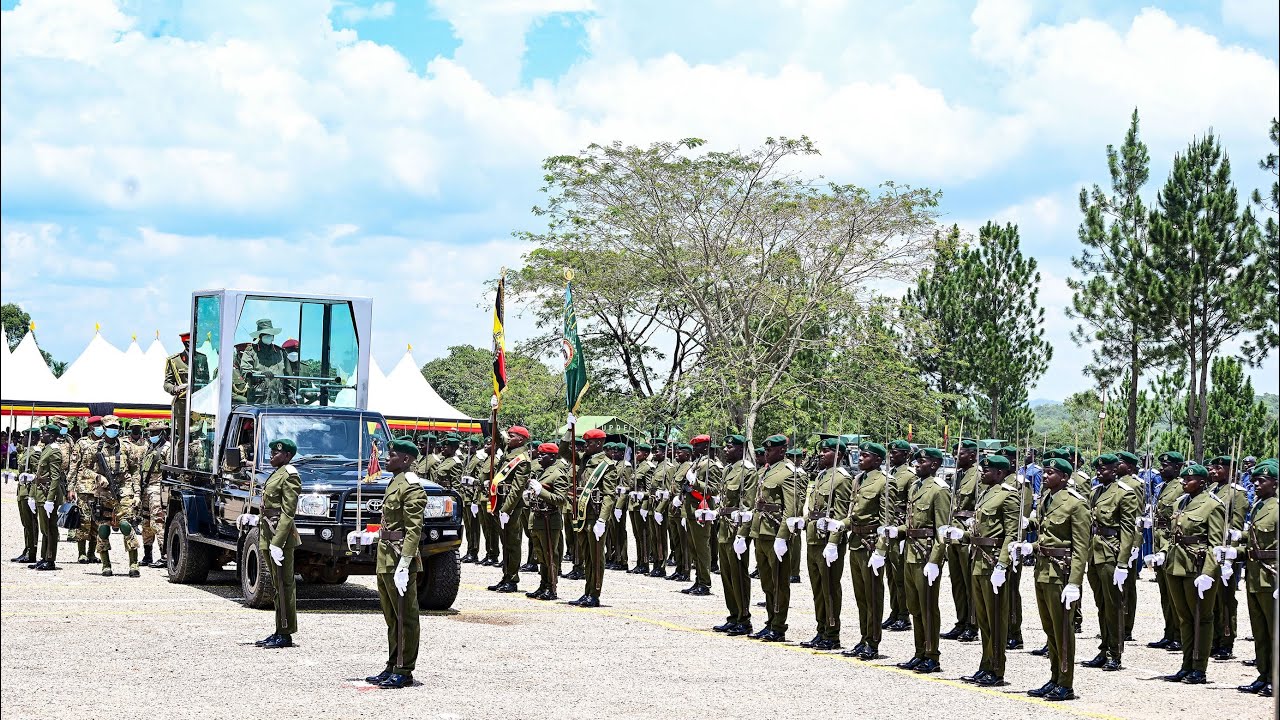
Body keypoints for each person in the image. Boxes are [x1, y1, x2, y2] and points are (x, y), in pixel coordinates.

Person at [947, 454, 1020, 687]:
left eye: (987, 471)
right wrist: (963, 536)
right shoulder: (987, 494)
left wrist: (1003, 564)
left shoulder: (1008, 495)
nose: (982, 474)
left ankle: (997, 669)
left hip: (992, 562)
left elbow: (1011, 534)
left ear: (1000, 473)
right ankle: (986, 663)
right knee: (984, 619)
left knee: (996, 618)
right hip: (978, 560)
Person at [1021, 456, 1089, 702]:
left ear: (1064, 477)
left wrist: (1074, 582)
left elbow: (1082, 547)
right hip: (1043, 569)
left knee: (1063, 629)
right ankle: (1054, 678)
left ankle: (1066, 682)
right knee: (1050, 628)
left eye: (1050, 473)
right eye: (1046, 472)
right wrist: (1031, 542)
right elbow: (1045, 532)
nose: (1046, 476)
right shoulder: (1046, 500)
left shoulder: (1075, 503)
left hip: (1061, 572)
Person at [882, 446, 950, 674]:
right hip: (910, 552)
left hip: (925, 555)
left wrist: (935, 560)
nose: (917, 465)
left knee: (928, 607)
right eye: (916, 461)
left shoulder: (939, 490)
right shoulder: (915, 486)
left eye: (922, 461)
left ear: (934, 464)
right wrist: (897, 531)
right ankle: (919, 652)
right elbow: (912, 523)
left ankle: (932, 655)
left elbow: (942, 530)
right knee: (915, 608)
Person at [365, 438, 426, 689]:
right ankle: (392, 663)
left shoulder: (411, 486)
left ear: (405, 460)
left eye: (391, 456)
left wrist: (405, 562)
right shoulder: (395, 482)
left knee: (405, 616)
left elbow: (414, 530)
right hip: (386, 556)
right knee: (392, 616)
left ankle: (404, 669)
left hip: (399, 557)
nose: (386, 459)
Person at [1160, 464, 1224, 685]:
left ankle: (1199, 667)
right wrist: (1162, 552)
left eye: (1190, 479)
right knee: (1184, 618)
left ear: (1203, 482)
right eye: (1183, 479)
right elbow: (1173, 535)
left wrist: (1208, 572)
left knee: (1202, 618)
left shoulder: (1213, 505)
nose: (1184, 482)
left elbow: (1217, 544)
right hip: (1175, 565)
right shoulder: (1181, 502)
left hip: (1197, 568)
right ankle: (1186, 664)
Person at [1221, 458, 1275, 697]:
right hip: (1255, 576)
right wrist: (1236, 549)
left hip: (1272, 577)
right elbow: (1256, 544)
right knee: (1260, 631)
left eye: (1261, 481)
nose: (1255, 484)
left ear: (1275, 483)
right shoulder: (1258, 507)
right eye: (1254, 480)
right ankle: (1263, 675)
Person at [746, 434, 804, 643]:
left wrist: (782, 537)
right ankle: (770, 620)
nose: (766, 453)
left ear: (781, 450)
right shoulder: (767, 470)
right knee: (767, 582)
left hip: (774, 533)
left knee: (779, 582)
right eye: (766, 450)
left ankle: (779, 626)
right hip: (760, 532)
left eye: (770, 450)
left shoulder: (789, 473)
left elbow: (792, 508)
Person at [246, 438, 301, 649]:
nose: (272, 456)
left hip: (280, 536)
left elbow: (288, 512)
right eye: (271, 452)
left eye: (276, 453)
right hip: (268, 532)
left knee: (284, 584)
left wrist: (278, 542)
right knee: (277, 585)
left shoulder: (289, 475)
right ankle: (279, 629)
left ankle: (285, 632)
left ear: (287, 456)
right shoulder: (277, 473)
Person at [799, 437, 852, 650]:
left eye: (827, 451)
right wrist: (802, 522)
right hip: (813, 538)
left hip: (827, 541)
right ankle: (821, 629)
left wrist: (833, 543)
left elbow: (840, 515)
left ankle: (832, 633)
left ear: (838, 455)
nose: (821, 454)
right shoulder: (822, 475)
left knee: (829, 588)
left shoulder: (841, 479)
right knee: (817, 589)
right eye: (821, 451)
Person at [841, 442, 889, 659]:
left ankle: (873, 641)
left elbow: (888, 520)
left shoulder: (885, 482)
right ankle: (863, 637)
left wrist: (881, 550)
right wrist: (842, 524)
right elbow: (854, 511)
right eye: (860, 455)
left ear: (878, 460)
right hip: (856, 541)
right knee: (861, 597)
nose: (860, 459)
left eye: (865, 456)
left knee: (873, 597)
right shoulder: (859, 479)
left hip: (871, 543)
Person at [1144, 451, 1187, 652]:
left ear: (1178, 467)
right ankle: (1169, 633)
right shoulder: (1163, 486)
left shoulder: (1180, 487)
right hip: (1159, 539)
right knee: (1165, 593)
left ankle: (1179, 635)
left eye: (1166, 465)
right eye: (1162, 465)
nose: (1162, 469)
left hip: (1171, 542)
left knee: (1174, 594)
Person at [91, 416, 143, 577]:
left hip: (124, 489)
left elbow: (135, 471)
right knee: (104, 529)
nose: (114, 429)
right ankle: (106, 565)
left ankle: (134, 564)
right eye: (110, 426)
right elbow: (83, 469)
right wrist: (98, 477)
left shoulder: (127, 447)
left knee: (126, 525)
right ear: (104, 428)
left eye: (116, 426)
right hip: (103, 492)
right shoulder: (95, 448)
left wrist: (137, 494)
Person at [571, 428, 617, 607]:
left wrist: (602, 520)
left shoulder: (607, 465)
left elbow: (609, 495)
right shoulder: (585, 459)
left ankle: (595, 593)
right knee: (587, 556)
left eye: (588, 443)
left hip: (595, 514)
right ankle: (587, 591)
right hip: (583, 514)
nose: (585, 446)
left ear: (598, 444)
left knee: (596, 556)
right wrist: (569, 430)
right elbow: (564, 451)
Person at [1207, 455, 1247, 660]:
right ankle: (1213, 639)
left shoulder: (1236, 493)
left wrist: (1229, 558)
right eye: (1212, 468)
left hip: (1226, 552)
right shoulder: (1211, 491)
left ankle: (1226, 640)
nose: (1213, 471)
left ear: (1231, 471)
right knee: (1211, 599)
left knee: (1225, 600)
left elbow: (1236, 527)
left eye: (1218, 468)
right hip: (1211, 550)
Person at [715, 435, 756, 636]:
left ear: (740, 449)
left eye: (730, 447)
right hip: (724, 528)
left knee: (738, 575)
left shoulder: (746, 471)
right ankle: (733, 615)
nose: (725, 450)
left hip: (736, 529)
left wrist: (742, 535)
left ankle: (744, 618)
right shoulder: (728, 470)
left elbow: (747, 506)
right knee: (726, 575)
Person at [942, 439, 980, 643]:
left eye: (961, 453)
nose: (957, 456)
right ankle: (961, 621)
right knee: (957, 581)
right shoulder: (958, 475)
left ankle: (973, 624)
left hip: (967, 533)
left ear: (973, 455)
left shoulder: (978, 475)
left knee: (969, 582)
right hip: (954, 531)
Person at [525, 443, 570, 600]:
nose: (539, 456)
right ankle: (543, 585)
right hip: (538, 518)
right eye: (539, 453)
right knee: (540, 555)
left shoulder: (558, 474)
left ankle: (551, 588)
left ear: (553, 457)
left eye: (543, 454)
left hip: (550, 520)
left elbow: (560, 499)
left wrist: (540, 491)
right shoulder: (542, 473)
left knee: (550, 555)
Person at [491, 427, 534, 593]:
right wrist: (493, 413)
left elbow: (517, 488)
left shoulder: (522, 459)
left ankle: (512, 578)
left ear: (521, 439)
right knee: (505, 541)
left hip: (512, 506)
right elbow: (494, 435)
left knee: (512, 543)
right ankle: (506, 576)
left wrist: (506, 510)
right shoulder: (510, 450)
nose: (508, 438)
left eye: (512, 436)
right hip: (500, 501)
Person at [681, 434, 722, 596]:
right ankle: (698, 580)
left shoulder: (710, 465)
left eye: (697, 446)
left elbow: (714, 489)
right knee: (694, 549)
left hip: (702, 511)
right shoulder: (697, 464)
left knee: (702, 549)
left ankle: (705, 583)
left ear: (705, 447)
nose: (694, 449)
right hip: (692, 510)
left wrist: (695, 482)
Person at [882, 439, 915, 632]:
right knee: (890, 574)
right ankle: (895, 611)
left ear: (906, 455)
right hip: (889, 526)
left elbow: (911, 504)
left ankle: (904, 614)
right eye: (890, 453)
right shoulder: (890, 474)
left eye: (896, 453)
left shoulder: (909, 475)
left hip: (900, 528)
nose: (891, 456)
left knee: (900, 574)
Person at [1114, 450, 1145, 643]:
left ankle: (1126, 626)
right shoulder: (1111, 486)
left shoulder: (1134, 484)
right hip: (1115, 541)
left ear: (1131, 467)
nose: (1117, 465)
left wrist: (1135, 544)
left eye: (1121, 462)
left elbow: (1137, 518)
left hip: (1128, 540)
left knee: (1127, 587)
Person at [164, 331, 210, 463]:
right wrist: (175, 388)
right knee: (184, 438)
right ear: (186, 343)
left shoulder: (202, 358)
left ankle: (200, 463)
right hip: (183, 403)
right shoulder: (174, 361)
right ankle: (181, 467)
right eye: (190, 343)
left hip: (199, 403)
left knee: (201, 437)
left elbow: (206, 380)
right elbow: (166, 384)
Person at [237, 318, 294, 405]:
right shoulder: (250, 352)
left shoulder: (280, 352)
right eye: (266, 334)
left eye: (271, 334)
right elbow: (245, 372)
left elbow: (289, 379)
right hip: (257, 400)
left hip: (279, 400)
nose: (270, 337)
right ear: (260, 336)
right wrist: (261, 374)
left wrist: (292, 400)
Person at [138, 420, 170, 568]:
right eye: (151, 432)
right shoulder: (149, 447)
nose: (152, 434)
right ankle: (148, 555)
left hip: (158, 488)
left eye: (155, 432)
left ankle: (164, 556)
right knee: (145, 522)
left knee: (157, 522)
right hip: (146, 488)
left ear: (162, 432)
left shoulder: (167, 448)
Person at [12, 430, 41, 564]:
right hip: (22, 490)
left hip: (29, 491)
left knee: (31, 523)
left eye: (26, 437)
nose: (22, 439)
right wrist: (15, 476)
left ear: (34, 439)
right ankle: (27, 548)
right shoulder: (26, 452)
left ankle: (32, 552)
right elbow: (24, 472)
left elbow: (37, 474)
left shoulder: (34, 453)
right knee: (26, 523)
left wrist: (32, 495)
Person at [628, 443, 656, 575]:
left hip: (642, 506)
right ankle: (639, 562)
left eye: (638, 452)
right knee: (637, 535)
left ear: (645, 454)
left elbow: (651, 490)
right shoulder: (638, 467)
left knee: (644, 535)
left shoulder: (648, 468)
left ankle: (644, 563)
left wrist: (642, 496)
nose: (636, 455)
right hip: (633, 505)